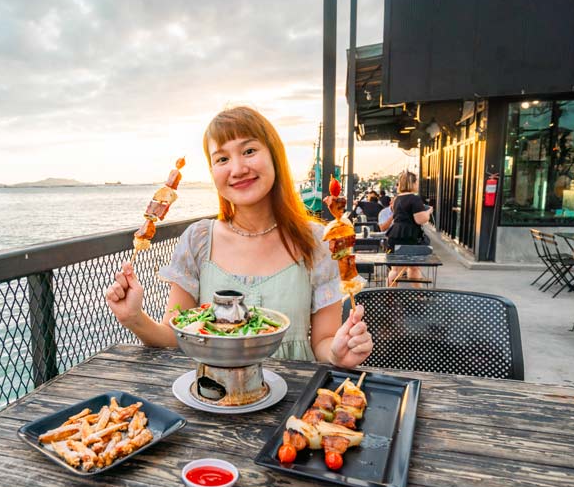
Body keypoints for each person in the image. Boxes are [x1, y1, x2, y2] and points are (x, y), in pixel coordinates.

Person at [104, 106, 373, 367]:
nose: (237, 168)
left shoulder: (316, 241)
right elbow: (176, 336)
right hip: (211, 390)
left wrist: (338, 352)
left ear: (275, 156)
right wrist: (134, 318)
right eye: (222, 159)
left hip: (294, 393)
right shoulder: (198, 240)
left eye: (249, 151)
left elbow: (324, 341)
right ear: (212, 172)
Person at [385, 171, 433, 286]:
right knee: (413, 267)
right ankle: (418, 294)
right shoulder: (414, 199)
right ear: (412, 183)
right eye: (417, 182)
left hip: (395, 234)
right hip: (410, 235)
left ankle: (388, 294)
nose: (418, 184)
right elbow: (420, 220)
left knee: (395, 269)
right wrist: (428, 212)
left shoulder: (397, 199)